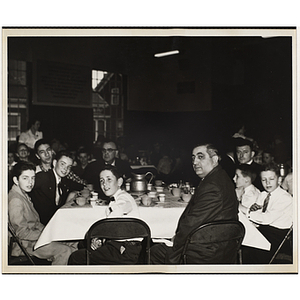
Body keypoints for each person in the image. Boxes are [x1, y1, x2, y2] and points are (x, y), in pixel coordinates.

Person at [150, 142, 239, 264]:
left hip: (206, 252)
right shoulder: (219, 178)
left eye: (200, 157)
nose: (195, 162)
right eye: (193, 158)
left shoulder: (212, 186)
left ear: (214, 159)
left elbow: (190, 224)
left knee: (153, 251)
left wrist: (175, 250)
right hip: (220, 247)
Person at [68, 165, 141, 265]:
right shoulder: (118, 197)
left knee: (77, 257)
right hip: (120, 245)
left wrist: (99, 235)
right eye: (102, 180)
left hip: (125, 250)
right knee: (83, 244)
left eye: (109, 179)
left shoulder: (124, 198)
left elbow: (118, 211)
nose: (104, 184)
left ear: (119, 182)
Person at [8, 162, 76, 265]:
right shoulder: (15, 200)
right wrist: (46, 235)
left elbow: (34, 222)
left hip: (34, 238)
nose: (30, 182)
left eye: (33, 178)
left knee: (72, 241)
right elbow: (21, 232)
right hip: (24, 245)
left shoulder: (22, 194)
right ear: (16, 180)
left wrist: (48, 232)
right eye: (25, 178)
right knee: (64, 251)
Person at [243, 162, 293, 263]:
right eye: (264, 180)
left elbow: (266, 219)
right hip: (265, 230)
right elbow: (256, 213)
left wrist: (244, 210)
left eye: (271, 179)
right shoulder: (263, 195)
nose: (267, 183)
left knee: (251, 247)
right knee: (244, 238)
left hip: (278, 235)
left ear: (279, 180)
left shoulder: (285, 198)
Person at [30, 150, 84, 225]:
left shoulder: (63, 180)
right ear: (55, 163)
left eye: (69, 167)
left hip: (54, 221)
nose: (65, 169)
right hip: (40, 223)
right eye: (62, 164)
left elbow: (80, 186)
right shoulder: (43, 177)